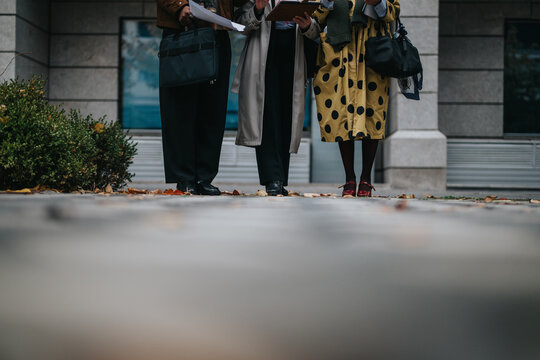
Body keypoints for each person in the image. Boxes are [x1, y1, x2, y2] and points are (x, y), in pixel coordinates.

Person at [297, 0, 400, 197]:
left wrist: (378, 3)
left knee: (373, 114)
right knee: (341, 116)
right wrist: (312, 20)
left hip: (372, 55)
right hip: (338, 57)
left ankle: (366, 180)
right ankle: (349, 179)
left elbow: (393, 13)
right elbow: (315, 23)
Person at [156, 0, 243, 195]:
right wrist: (179, 6)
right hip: (182, 29)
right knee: (179, 109)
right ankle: (184, 178)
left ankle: (204, 177)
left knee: (213, 110)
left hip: (217, 32)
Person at [231, 0, 310, 196]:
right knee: (266, 118)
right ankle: (272, 179)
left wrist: (308, 26)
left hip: (293, 58)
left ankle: (281, 179)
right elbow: (241, 26)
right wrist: (258, 9)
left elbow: (317, 29)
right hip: (264, 59)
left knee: (287, 117)